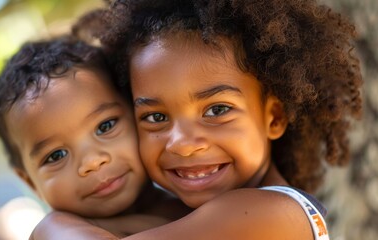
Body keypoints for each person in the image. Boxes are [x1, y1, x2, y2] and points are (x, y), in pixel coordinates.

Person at [30, 0, 363, 239]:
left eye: (217, 110)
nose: (184, 144)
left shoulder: (277, 214)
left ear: (273, 117)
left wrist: (50, 226)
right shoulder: (181, 217)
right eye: (156, 117)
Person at [0, 36, 190, 239]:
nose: (92, 162)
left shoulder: (197, 194)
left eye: (105, 126)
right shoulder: (57, 231)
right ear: (31, 183)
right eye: (56, 155)